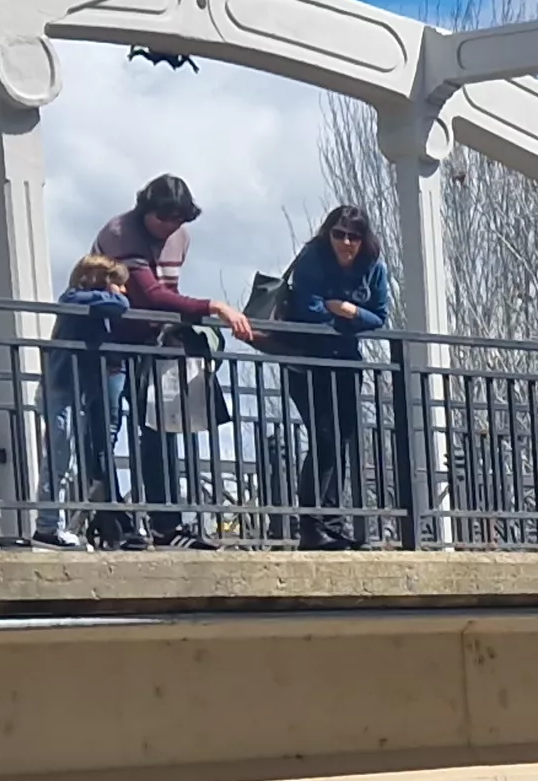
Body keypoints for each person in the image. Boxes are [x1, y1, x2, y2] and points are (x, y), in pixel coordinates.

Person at [89, 174, 260, 547]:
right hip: (108, 343)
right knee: (107, 429)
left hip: (152, 344)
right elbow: (149, 294)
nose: (169, 227)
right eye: (163, 218)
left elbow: (169, 292)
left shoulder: (180, 236)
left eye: (178, 220)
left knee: (161, 428)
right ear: (145, 210)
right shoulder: (121, 232)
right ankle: (111, 520)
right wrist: (213, 307)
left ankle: (166, 523)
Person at [274, 204, 392, 550]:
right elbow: (308, 310)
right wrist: (347, 319)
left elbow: (379, 317)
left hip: (346, 363)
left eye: (353, 236)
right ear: (328, 233)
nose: (345, 242)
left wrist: (347, 309)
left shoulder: (373, 267)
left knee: (341, 441)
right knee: (324, 439)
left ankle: (333, 523)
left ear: (362, 239)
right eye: (338, 234)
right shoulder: (314, 257)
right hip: (307, 361)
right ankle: (312, 525)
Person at [32, 254, 136, 549]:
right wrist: (113, 294)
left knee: (67, 459)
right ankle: (47, 528)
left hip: (73, 388)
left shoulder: (89, 304)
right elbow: (122, 305)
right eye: (117, 283)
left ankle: (54, 525)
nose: (123, 291)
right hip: (61, 386)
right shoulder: (74, 298)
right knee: (59, 457)